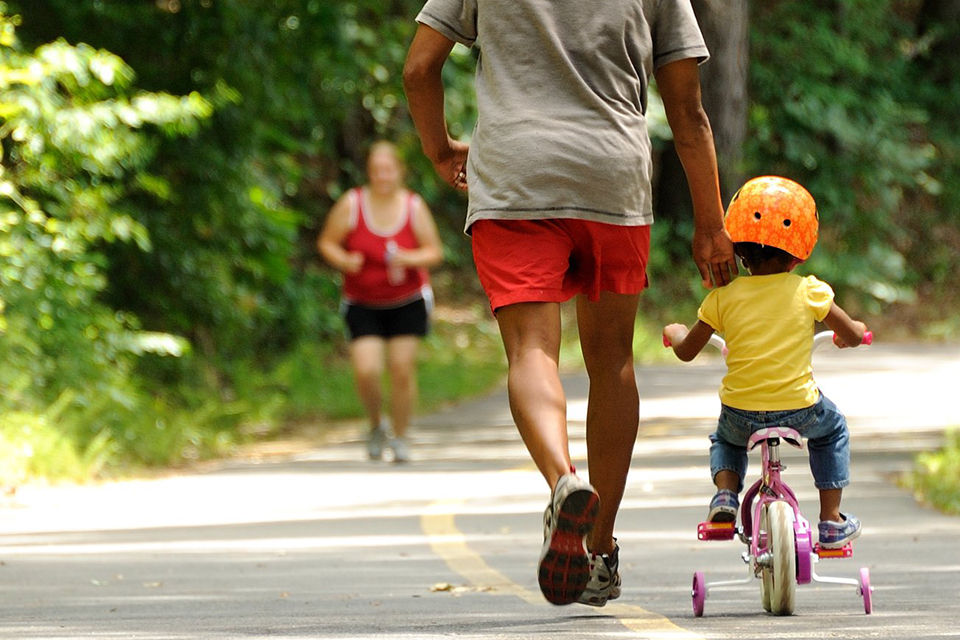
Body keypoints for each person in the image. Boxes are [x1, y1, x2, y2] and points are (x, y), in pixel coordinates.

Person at [403, 0, 737, 607]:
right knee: (611, 361)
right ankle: (601, 550)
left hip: (515, 177)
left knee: (532, 349)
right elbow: (687, 110)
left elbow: (419, 69)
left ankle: (563, 481)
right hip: (612, 175)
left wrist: (439, 150)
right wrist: (711, 224)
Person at [662, 176, 868, 550]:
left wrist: (676, 332)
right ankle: (831, 520)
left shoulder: (724, 297)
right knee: (833, 429)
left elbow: (686, 350)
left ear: (739, 250)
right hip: (800, 411)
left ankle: (725, 496)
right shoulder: (809, 292)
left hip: (741, 414)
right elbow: (852, 334)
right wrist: (851, 334)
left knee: (724, 439)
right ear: (800, 251)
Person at [318, 141, 444, 463]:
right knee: (367, 370)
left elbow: (434, 252)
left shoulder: (414, 207)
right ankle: (377, 424)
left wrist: (407, 258)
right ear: (369, 173)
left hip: (407, 300)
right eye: (376, 170)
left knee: (401, 369)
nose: (382, 176)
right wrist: (345, 261)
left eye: (388, 170)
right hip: (363, 302)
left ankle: (400, 438)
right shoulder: (352, 203)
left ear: (400, 172)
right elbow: (327, 243)